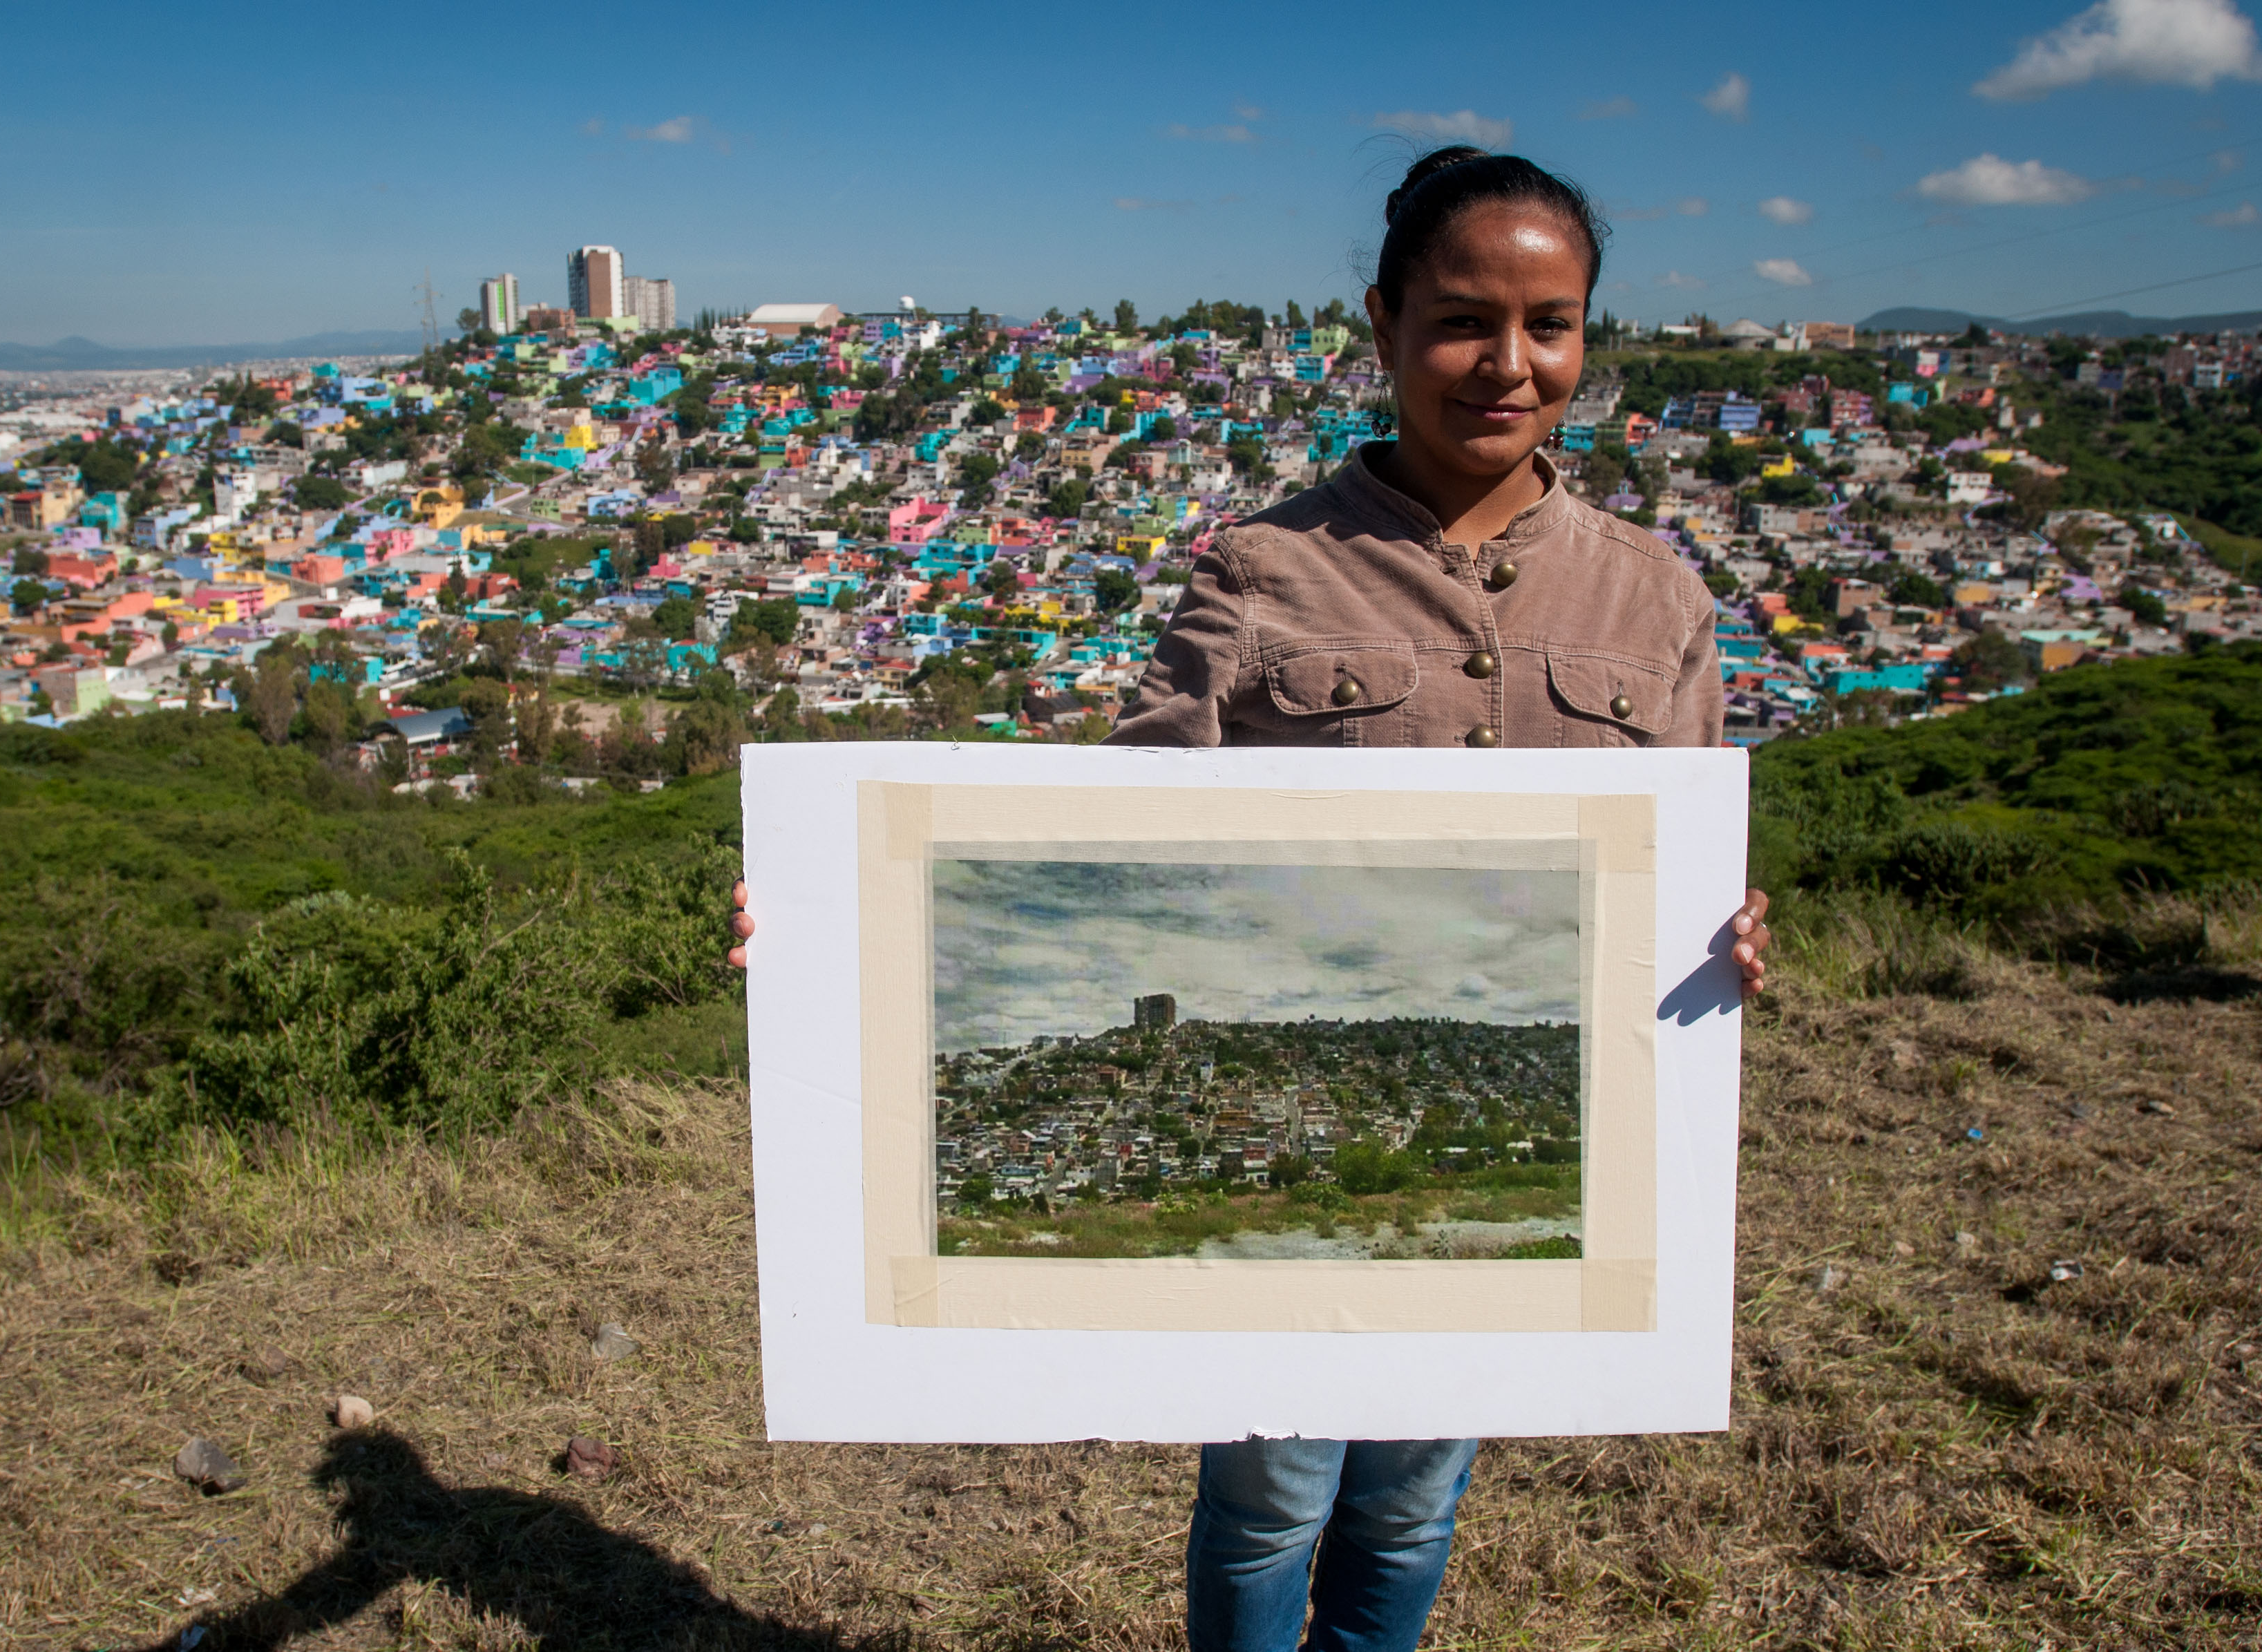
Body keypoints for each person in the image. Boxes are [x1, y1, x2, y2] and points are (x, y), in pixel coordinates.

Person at [729, 144, 1773, 1652]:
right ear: (1384, 323)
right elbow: (1108, 827)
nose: (1509, 363)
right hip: (1291, 1247)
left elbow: (1691, 854)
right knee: (1274, 1499)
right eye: (1465, 319)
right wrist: (829, 931)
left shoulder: (1653, 597)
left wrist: (1730, 936)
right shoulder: (1264, 570)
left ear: (1590, 337)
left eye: (1551, 323)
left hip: (1581, 1138)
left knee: (1415, 1499)